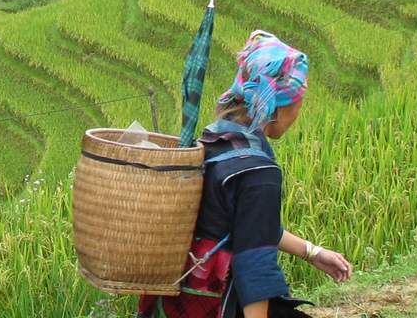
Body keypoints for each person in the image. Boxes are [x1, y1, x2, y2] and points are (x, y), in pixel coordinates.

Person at [140, 31, 353, 318]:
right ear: (281, 103)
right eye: (300, 99)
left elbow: (247, 225)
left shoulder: (214, 138)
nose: (300, 109)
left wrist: (313, 253)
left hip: (182, 299)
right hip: (221, 302)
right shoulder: (258, 171)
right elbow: (254, 265)